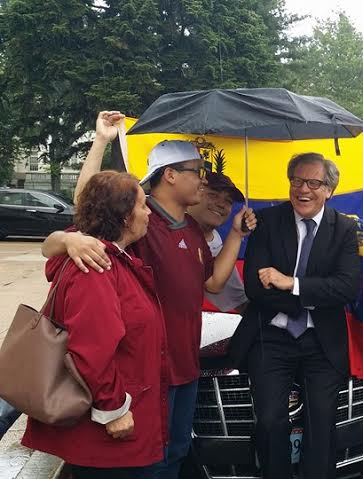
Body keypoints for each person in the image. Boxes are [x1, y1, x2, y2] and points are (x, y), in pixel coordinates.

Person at [41, 111, 256, 479]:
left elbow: (214, 284)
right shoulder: (139, 224)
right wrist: (68, 237)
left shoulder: (190, 228)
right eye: (197, 172)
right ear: (170, 174)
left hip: (185, 365)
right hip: (148, 375)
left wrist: (236, 234)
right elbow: (88, 211)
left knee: (174, 454)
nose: (203, 183)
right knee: (146, 462)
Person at [22, 171, 168, 479]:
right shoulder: (97, 266)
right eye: (143, 205)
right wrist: (113, 410)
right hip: (111, 436)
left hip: (126, 422)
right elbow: (92, 349)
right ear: (126, 216)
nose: (149, 212)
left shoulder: (109, 254)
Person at [227, 152, 360, 479]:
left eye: (313, 182)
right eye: (297, 181)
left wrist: (292, 284)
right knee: (271, 420)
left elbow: (347, 287)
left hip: (321, 342)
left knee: (322, 421)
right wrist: (315, 296)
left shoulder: (344, 228)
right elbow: (256, 290)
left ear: (329, 189)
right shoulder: (266, 221)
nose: (303, 189)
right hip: (271, 338)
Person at [188, 171, 250, 312]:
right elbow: (213, 284)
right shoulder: (162, 228)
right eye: (213, 195)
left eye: (228, 201)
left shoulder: (215, 241)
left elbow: (239, 301)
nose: (221, 204)